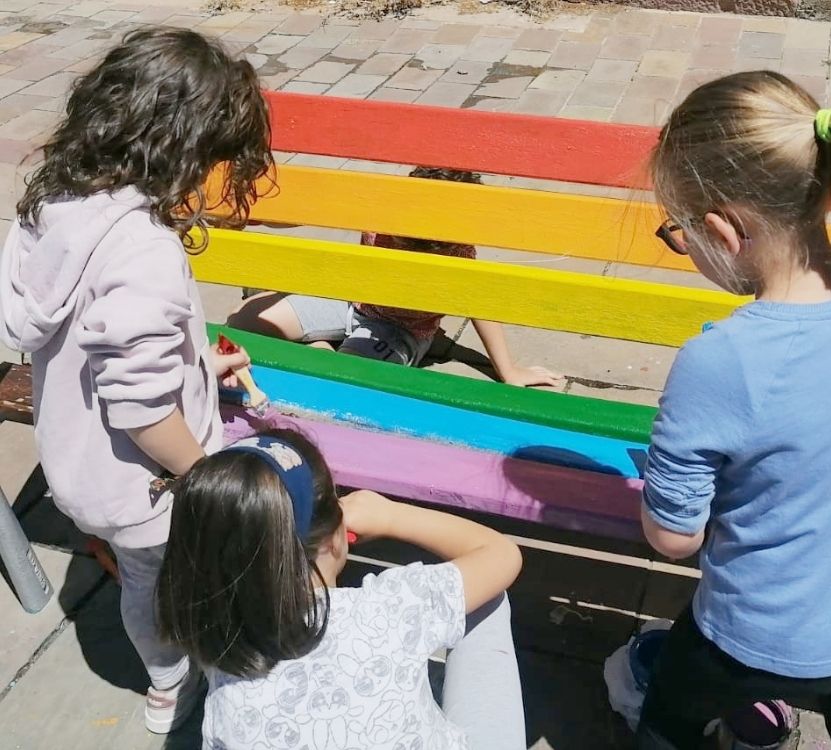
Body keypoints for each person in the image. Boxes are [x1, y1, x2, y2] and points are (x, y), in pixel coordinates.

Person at [635, 71, 831, 750]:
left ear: (721, 230)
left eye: (676, 234)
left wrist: (655, 492)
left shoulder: (724, 359)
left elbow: (673, 538)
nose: (683, 246)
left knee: (667, 719)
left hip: (751, 637)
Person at [0, 28, 272, 734]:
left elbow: (97, 349)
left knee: (143, 579)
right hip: (149, 487)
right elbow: (140, 408)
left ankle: (161, 683)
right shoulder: (142, 250)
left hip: (79, 472)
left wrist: (196, 366)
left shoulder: (55, 208)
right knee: (189, 582)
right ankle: (206, 688)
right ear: (185, 149)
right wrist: (208, 474)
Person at [155, 428, 526, 750]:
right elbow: (501, 554)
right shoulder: (392, 607)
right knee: (489, 596)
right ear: (334, 535)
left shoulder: (214, 629)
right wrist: (390, 515)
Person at [227, 167, 563, 388]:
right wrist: (257, 217)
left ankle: (321, 349)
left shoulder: (456, 249)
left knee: (346, 383)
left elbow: (479, 302)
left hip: (397, 330)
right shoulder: (380, 208)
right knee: (242, 321)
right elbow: (311, 212)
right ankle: (320, 345)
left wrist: (508, 370)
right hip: (349, 299)